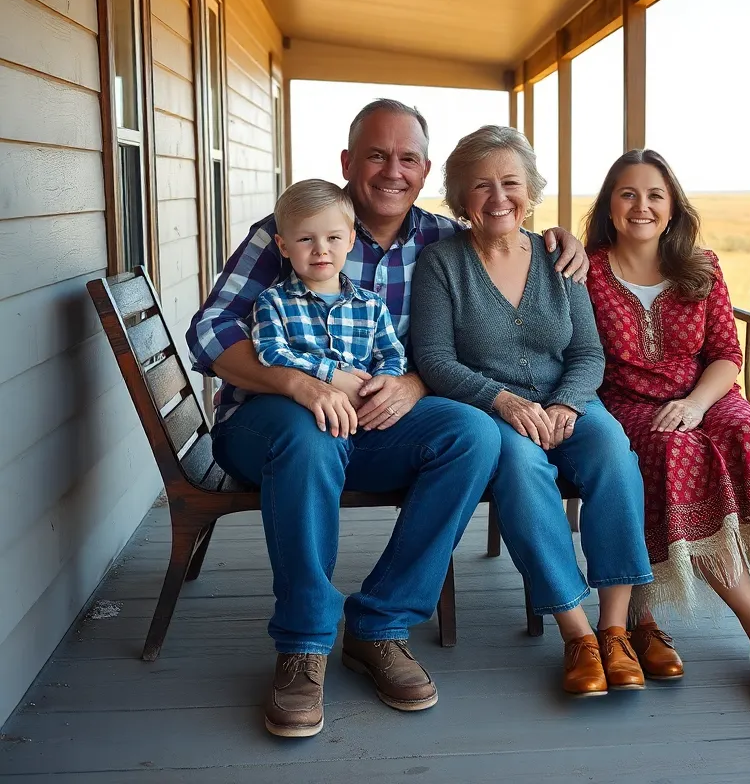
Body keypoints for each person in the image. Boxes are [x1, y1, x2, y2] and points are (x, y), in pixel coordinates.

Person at [186, 99, 588, 738]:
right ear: (348, 162)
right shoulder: (292, 227)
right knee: (310, 434)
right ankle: (305, 644)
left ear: (425, 170)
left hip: (376, 427)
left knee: (473, 433)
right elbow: (209, 331)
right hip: (271, 425)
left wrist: (557, 241)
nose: (391, 171)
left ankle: (379, 624)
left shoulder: (441, 240)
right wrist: (297, 382)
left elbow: (489, 275)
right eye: (376, 155)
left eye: (407, 158)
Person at [582, 150, 750, 704]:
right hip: (630, 405)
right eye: (628, 194)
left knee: (748, 439)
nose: (642, 206)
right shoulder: (585, 271)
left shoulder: (700, 267)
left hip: (708, 393)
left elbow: (727, 354)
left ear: (673, 206)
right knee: (679, 454)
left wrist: (700, 403)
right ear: (610, 206)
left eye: (656, 195)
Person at [410, 126, 653, 697]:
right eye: (481, 186)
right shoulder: (441, 264)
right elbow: (436, 360)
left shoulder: (556, 257)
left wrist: (568, 402)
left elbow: (587, 352)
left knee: (615, 454)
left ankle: (614, 628)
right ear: (461, 198)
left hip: (569, 400)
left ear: (531, 189)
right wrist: (505, 401)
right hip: (492, 407)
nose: (498, 198)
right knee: (521, 470)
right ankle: (576, 634)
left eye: (511, 183)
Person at [252, 178, 406, 439]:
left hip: (362, 412)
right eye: (305, 239)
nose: (320, 250)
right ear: (283, 246)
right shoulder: (273, 302)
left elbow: (392, 355)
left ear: (350, 241)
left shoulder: (371, 305)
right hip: (306, 416)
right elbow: (271, 352)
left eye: (333, 237)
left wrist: (377, 388)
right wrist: (331, 373)